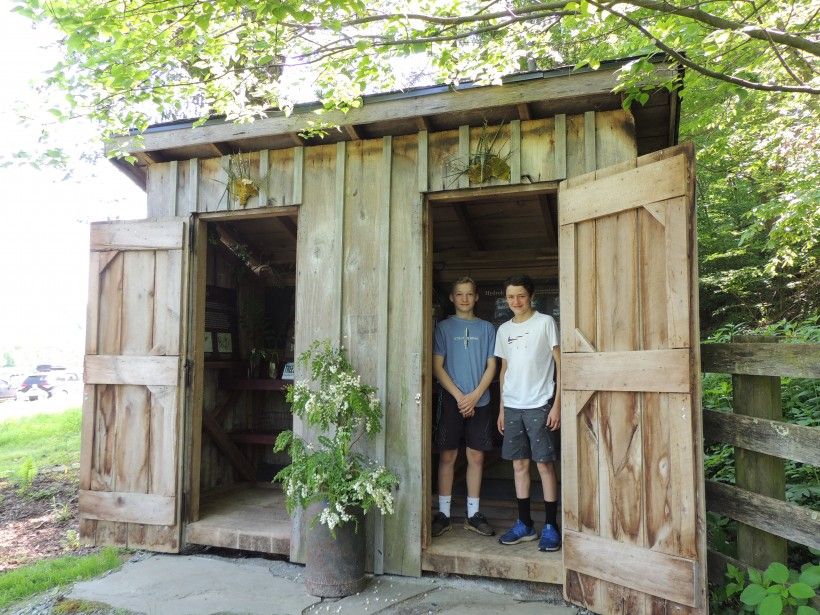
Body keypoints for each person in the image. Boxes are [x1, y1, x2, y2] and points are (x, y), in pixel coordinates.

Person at [494, 274, 562, 552]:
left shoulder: (545, 323)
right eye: (510, 297)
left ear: (530, 295)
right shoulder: (503, 330)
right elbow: (503, 370)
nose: (516, 301)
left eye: (520, 295)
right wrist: (501, 408)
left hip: (540, 403)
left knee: (544, 465)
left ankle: (550, 526)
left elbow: (562, 365)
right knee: (519, 465)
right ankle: (524, 524)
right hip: (512, 406)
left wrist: (557, 404)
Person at [432, 276, 497, 537]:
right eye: (459, 294)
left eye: (469, 294)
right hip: (451, 399)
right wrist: (460, 397)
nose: (465, 299)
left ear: (477, 297)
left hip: (480, 400)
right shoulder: (443, 328)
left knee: (476, 457)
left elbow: (492, 365)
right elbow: (437, 365)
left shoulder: (487, 329)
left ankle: (473, 514)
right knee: (447, 455)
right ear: (452, 298)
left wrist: (475, 395)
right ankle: (444, 514)